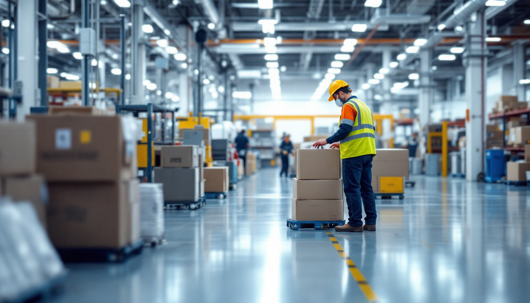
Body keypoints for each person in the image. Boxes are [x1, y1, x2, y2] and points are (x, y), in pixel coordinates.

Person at [312, 80, 377, 232]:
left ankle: (355, 223)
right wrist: (341, 144)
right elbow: (361, 131)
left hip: (354, 153)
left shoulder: (349, 106)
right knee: (366, 188)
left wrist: (326, 140)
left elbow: (345, 129)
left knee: (352, 188)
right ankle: (371, 222)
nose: (335, 100)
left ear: (340, 93)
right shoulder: (364, 105)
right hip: (367, 151)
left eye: (334, 97)